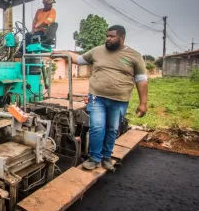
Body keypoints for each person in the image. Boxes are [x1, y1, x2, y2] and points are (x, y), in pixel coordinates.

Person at [54, 25, 148, 171]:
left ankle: (106, 157)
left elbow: (141, 80)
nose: (108, 39)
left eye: (112, 36)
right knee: (97, 127)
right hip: (97, 97)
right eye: (107, 36)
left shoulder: (134, 56)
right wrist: (62, 53)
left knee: (111, 129)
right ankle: (94, 158)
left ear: (122, 37)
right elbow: (78, 59)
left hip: (119, 100)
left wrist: (143, 103)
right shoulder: (97, 51)